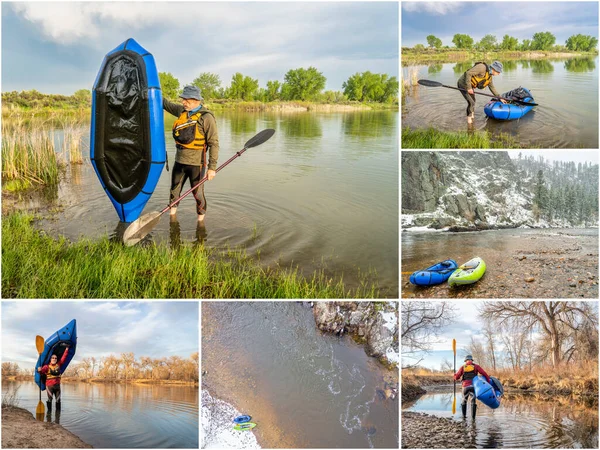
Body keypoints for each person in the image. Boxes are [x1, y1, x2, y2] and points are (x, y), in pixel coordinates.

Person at [163, 85, 220, 221]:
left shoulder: (207, 118)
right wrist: (152, 88)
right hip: (179, 161)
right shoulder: (181, 111)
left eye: (186, 100)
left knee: (197, 194)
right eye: (183, 99)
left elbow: (214, 144)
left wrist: (212, 168)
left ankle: (200, 224)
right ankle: (172, 219)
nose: (183, 102)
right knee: (174, 192)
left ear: (196, 100)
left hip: (196, 164)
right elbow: (165, 104)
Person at [453, 354, 491, 419]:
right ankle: (473, 418)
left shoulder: (463, 367)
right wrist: (488, 380)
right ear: (471, 360)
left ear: (465, 361)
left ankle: (464, 417)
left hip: (465, 387)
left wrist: (454, 375)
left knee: (464, 400)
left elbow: (456, 377)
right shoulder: (476, 366)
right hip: (473, 387)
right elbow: (483, 373)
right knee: (473, 401)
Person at [37, 347, 70, 411]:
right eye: (53, 358)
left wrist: (66, 349)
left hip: (57, 386)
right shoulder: (46, 366)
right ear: (50, 359)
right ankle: (49, 415)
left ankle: (58, 417)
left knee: (58, 400)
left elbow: (64, 358)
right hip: (49, 386)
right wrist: (39, 370)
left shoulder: (58, 364)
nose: (54, 359)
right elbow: (42, 371)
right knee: (50, 399)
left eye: (55, 358)